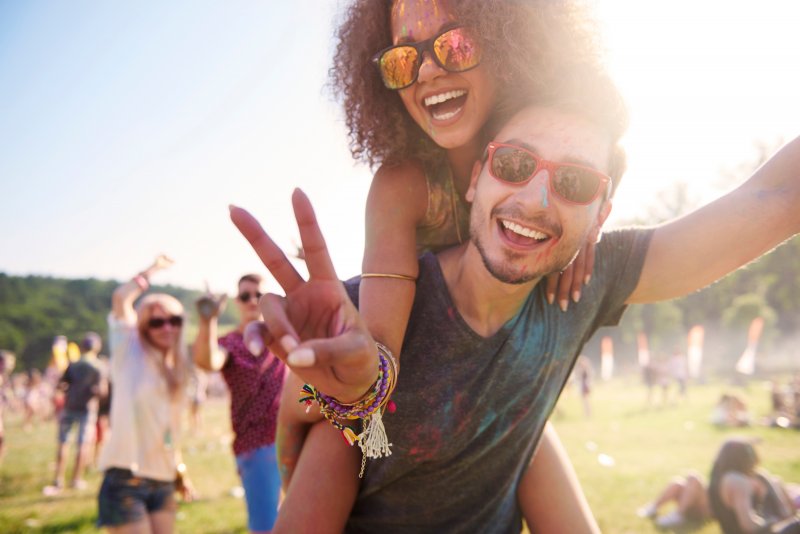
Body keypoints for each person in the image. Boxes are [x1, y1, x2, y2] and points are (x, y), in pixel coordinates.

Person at [232, 64, 800, 530]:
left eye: (575, 183)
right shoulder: (368, 326)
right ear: (477, 176)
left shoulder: (586, 286)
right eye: (514, 164)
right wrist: (344, 394)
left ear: (601, 215)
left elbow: (776, 195)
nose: (535, 199)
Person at [275, 0, 607, 531]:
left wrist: (581, 230)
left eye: (457, 45)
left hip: (501, 398)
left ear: (510, 45)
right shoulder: (401, 187)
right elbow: (377, 367)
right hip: (377, 416)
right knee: (328, 434)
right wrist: (310, 406)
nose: (428, 69)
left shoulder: (571, 170)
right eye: (401, 62)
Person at [96, 255, 192, 533]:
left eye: (174, 320)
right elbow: (120, 299)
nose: (167, 328)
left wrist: (180, 468)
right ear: (143, 326)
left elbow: (170, 428)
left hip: (163, 479)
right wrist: (152, 270)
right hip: (126, 478)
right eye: (156, 322)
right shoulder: (129, 348)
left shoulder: (176, 366)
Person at [192, 273, 286, 534]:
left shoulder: (284, 333)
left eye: (259, 295)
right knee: (266, 526)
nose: (252, 300)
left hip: (294, 436)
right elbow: (208, 361)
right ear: (237, 301)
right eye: (246, 296)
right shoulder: (230, 342)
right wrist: (208, 320)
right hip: (257, 443)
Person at [639, 438, 800, 533]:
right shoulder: (738, 481)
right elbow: (748, 525)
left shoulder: (720, 479)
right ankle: (670, 513)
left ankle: (658, 509)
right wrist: (774, 523)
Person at [44, 332, 103, 495]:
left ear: (83, 346)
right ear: (97, 347)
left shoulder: (73, 364)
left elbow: (61, 384)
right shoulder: (98, 366)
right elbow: (102, 391)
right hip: (87, 409)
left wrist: (72, 390)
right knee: (83, 444)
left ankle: (58, 479)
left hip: (70, 406)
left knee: (64, 443)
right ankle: (76, 480)